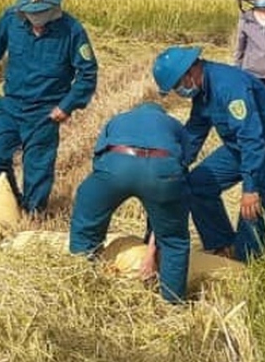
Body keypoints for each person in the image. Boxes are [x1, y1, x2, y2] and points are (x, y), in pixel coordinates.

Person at [152, 45, 265, 263]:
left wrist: (250, 188)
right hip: (238, 147)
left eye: (176, 85)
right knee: (195, 184)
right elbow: (194, 133)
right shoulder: (202, 93)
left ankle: (245, 263)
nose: (178, 92)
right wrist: (175, 167)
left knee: (251, 212)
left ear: (189, 73)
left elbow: (252, 138)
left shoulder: (229, 87)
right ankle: (223, 245)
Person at [0, 0, 99, 217]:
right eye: (32, 13)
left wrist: (66, 106)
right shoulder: (10, 20)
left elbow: (88, 73)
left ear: (54, 7)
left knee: (37, 169)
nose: (37, 20)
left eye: (42, 13)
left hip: (45, 111)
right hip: (12, 106)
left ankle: (33, 214)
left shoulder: (72, 30)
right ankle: (11, 203)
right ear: (22, 10)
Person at [68, 102, 192, 303]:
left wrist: (103, 188)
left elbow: (98, 156)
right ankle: (172, 303)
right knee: (174, 240)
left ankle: (80, 282)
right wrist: (153, 250)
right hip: (162, 171)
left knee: (86, 221)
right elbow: (183, 166)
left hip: (117, 163)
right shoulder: (174, 124)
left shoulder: (119, 119)